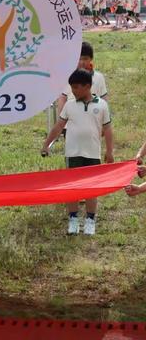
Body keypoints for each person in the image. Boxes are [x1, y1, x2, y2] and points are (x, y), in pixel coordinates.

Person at [41, 69, 114, 236]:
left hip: (93, 154)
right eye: (71, 87)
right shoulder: (70, 105)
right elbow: (58, 127)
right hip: (73, 154)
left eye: (76, 87)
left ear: (87, 86)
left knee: (91, 189)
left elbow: (108, 130)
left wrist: (109, 151)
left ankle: (90, 220)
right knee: (72, 188)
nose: (72, 91)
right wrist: (46, 144)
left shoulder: (102, 106)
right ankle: (73, 219)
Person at [56, 41, 108, 117]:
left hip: (93, 121)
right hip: (72, 122)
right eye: (79, 59)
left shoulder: (98, 77)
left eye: (85, 59)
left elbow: (104, 99)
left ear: (91, 58)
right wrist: (62, 123)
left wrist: (105, 121)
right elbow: (63, 98)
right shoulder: (68, 76)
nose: (82, 62)